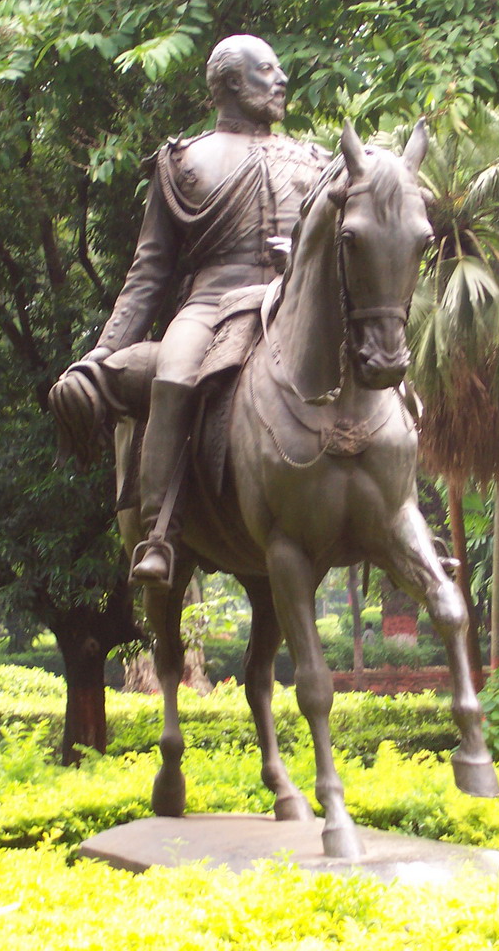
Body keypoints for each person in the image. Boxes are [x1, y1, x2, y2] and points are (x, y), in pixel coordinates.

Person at [85, 34, 329, 587]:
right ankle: (158, 533)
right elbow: (149, 272)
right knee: (172, 377)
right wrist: (105, 349)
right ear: (233, 83)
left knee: (379, 374)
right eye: (269, 70)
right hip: (212, 306)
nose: (282, 81)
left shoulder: (317, 160)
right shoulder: (182, 163)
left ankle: (396, 509)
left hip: (294, 301)